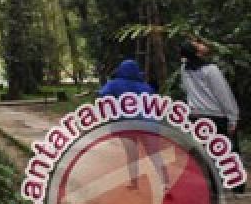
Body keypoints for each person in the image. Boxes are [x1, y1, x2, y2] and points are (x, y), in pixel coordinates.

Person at [180, 37, 244, 194]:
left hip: (196, 116)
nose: (203, 45)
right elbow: (223, 95)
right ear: (197, 52)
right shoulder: (211, 70)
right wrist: (233, 116)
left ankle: (211, 186)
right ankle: (237, 186)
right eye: (198, 45)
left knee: (205, 152)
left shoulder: (185, 70)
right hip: (216, 116)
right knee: (228, 150)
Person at [99, 58, 168, 188]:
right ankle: (165, 183)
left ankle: (134, 183)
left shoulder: (113, 84)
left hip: (126, 124)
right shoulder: (146, 87)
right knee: (155, 154)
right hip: (149, 124)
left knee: (132, 154)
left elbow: (103, 96)